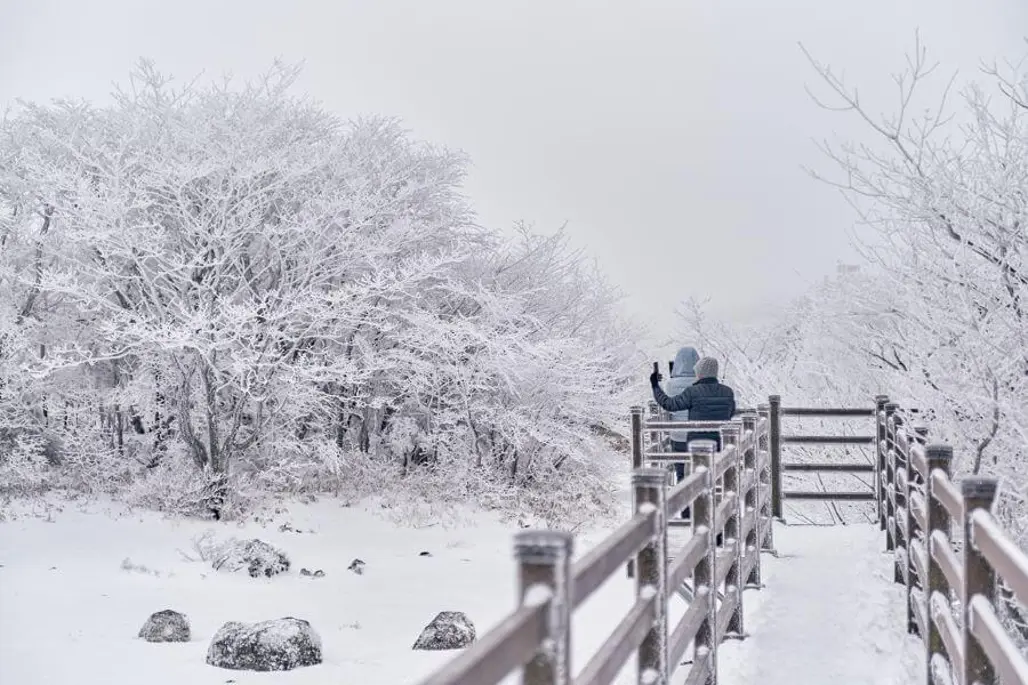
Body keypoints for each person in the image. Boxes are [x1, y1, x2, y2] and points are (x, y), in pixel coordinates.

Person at [650, 356, 736, 541]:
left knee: (697, 484)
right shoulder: (727, 392)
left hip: (696, 445)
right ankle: (719, 530)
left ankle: (696, 525)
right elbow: (731, 412)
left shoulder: (693, 392)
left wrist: (655, 386)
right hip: (720, 444)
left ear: (701, 373)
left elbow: (669, 404)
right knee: (717, 486)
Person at [665, 346, 700, 483]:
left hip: (678, 436)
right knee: (699, 473)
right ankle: (698, 501)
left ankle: (682, 501)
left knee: (681, 473)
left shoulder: (670, 385)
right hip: (699, 435)